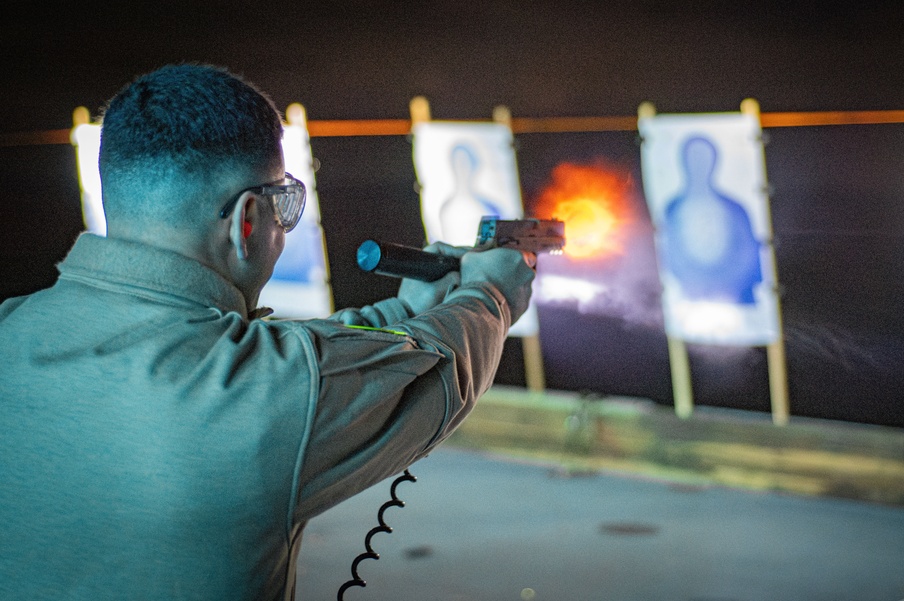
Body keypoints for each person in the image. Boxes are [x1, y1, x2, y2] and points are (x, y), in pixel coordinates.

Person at [0, 63, 535, 600]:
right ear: (248, 218)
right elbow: (436, 370)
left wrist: (404, 311)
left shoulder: (10, 326)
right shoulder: (267, 386)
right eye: (284, 205)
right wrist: (491, 295)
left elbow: (292, 361)